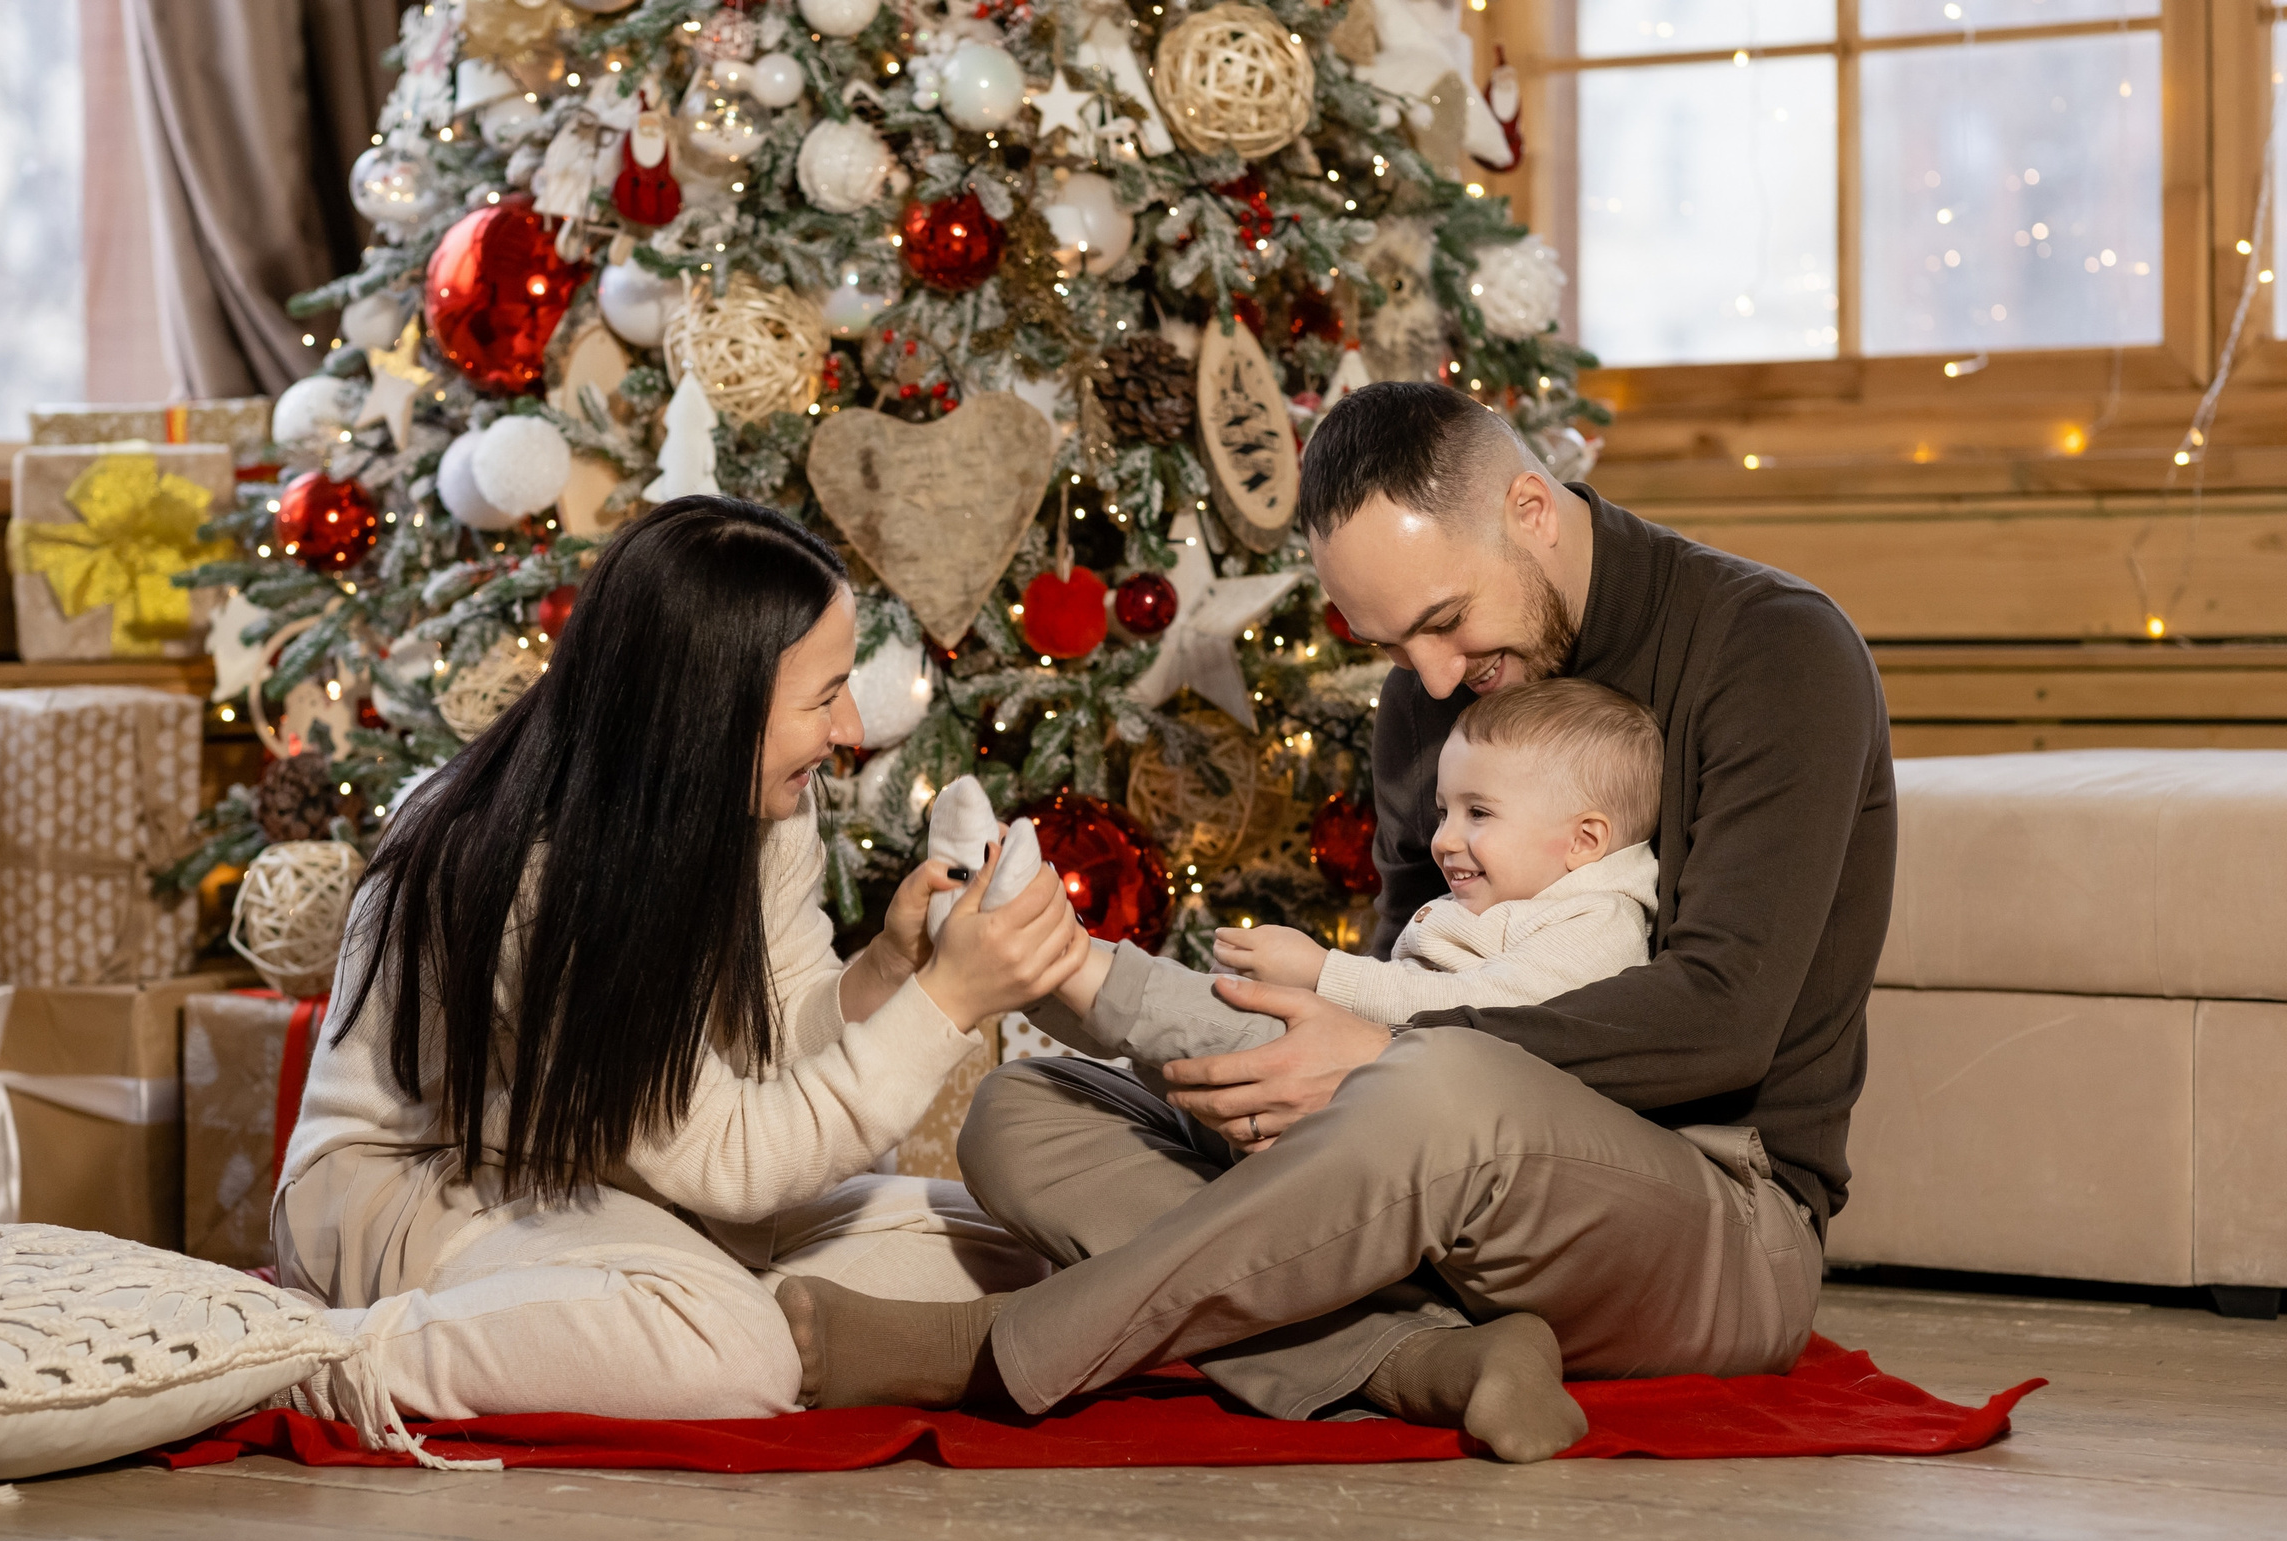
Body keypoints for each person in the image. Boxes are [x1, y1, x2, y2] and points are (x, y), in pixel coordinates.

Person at [776, 382, 1897, 1464]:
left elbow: (1724, 1019)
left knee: (1434, 1081)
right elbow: (1417, 965)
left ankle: (991, 1354)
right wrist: (1301, 1062)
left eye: (1445, 622)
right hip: (1437, 1174)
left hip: (1716, 1215)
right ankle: (1431, 1363)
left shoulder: (1774, 651)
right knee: (1027, 1111)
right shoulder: (1431, 696)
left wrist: (1379, 1059)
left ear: (1530, 509)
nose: (1433, 680)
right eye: (1392, 647)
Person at [273, 495, 1092, 1421]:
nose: (853, 728)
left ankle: (670, 1316)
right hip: (425, 1187)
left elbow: (775, 1036)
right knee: (737, 1353)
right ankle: (324, 1359)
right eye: (824, 696)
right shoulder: (537, 874)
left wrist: (891, 970)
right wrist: (946, 1003)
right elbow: (734, 1156)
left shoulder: (763, 802)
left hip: (603, 1168)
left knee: (1006, 1245)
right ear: (713, 708)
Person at [1030, 676, 1662, 1080]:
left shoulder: (1597, 923)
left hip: (1418, 1098)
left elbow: (1493, 1013)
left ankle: (1064, 968)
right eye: (1445, 811)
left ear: (1584, 841)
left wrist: (1324, 974)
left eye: (1479, 814)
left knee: (1244, 1029)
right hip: (1385, 1075)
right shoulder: (1519, 897)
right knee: (1180, 1051)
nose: (1443, 840)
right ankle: (1059, 989)